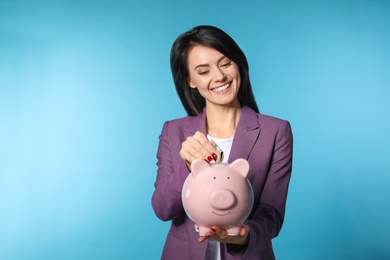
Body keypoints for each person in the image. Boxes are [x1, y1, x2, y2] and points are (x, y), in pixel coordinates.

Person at [151, 25, 293, 260]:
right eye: (204, 71)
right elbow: (162, 209)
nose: (219, 77)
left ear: (238, 64)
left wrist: (243, 234)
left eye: (225, 63)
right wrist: (186, 167)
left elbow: (272, 214)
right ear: (190, 80)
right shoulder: (173, 132)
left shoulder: (275, 131)